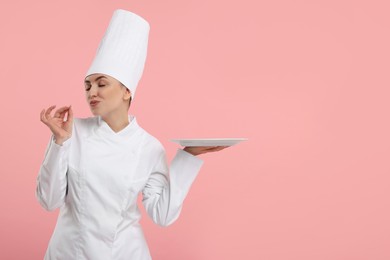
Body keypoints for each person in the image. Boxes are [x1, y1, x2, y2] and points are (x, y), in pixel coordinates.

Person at [35, 9, 227, 260]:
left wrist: (188, 156)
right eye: (88, 85)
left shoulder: (148, 147)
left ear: (127, 91)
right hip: (69, 253)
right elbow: (49, 202)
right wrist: (59, 142)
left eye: (102, 84)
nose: (92, 92)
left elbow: (162, 214)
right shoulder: (72, 132)